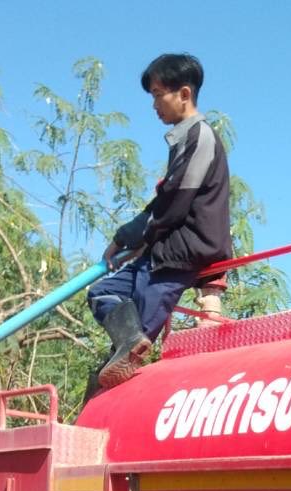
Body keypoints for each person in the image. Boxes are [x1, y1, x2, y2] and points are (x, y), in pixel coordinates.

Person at [87, 52, 232, 392]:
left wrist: (134, 237)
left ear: (184, 94)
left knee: (133, 341)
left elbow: (174, 204)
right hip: (161, 251)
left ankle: (118, 368)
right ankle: (127, 344)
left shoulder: (200, 136)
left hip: (181, 254)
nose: (154, 105)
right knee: (102, 292)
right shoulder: (182, 140)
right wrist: (125, 237)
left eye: (157, 95)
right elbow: (164, 200)